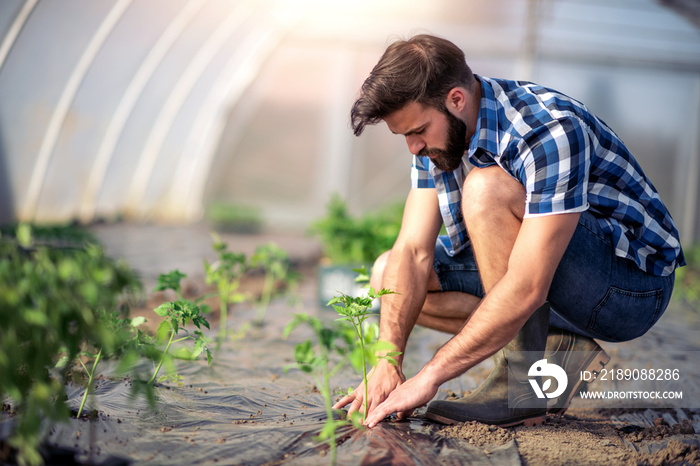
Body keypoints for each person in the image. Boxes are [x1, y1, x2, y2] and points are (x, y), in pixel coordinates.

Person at [332, 34, 685, 429]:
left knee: (486, 189)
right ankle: (554, 346)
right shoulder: (435, 139)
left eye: (418, 130)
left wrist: (428, 376)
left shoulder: (547, 130)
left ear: (456, 100)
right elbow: (412, 251)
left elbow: (527, 284)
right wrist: (387, 361)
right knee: (387, 274)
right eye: (405, 137)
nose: (413, 147)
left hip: (630, 289)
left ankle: (522, 384)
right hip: (551, 273)